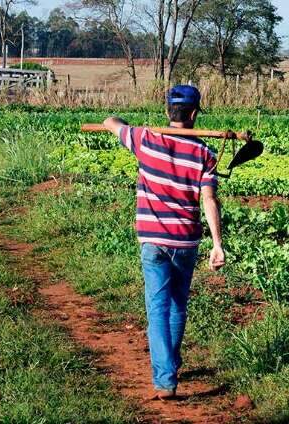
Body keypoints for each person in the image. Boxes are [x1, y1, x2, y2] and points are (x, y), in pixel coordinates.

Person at [103, 85, 225, 400]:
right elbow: (209, 200)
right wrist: (217, 244)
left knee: (158, 308)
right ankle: (169, 366)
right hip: (186, 240)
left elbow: (109, 121)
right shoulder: (204, 154)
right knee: (177, 305)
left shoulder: (144, 139)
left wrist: (121, 122)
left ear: (166, 112)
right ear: (195, 114)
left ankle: (165, 379)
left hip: (153, 239)